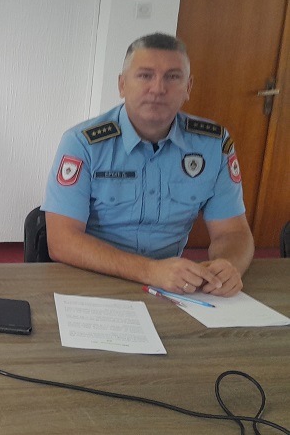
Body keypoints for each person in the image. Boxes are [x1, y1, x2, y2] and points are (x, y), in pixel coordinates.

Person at [42, 33, 254, 297]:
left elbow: (233, 232)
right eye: (145, 75)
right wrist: (150, 271)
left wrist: (228, 266)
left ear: (188, 87)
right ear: (122, 85)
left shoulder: (213, 144)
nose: (158, 89)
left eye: (172, 77)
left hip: (171, 287)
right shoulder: (83, 143)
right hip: (95, 278)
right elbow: (62, 241)